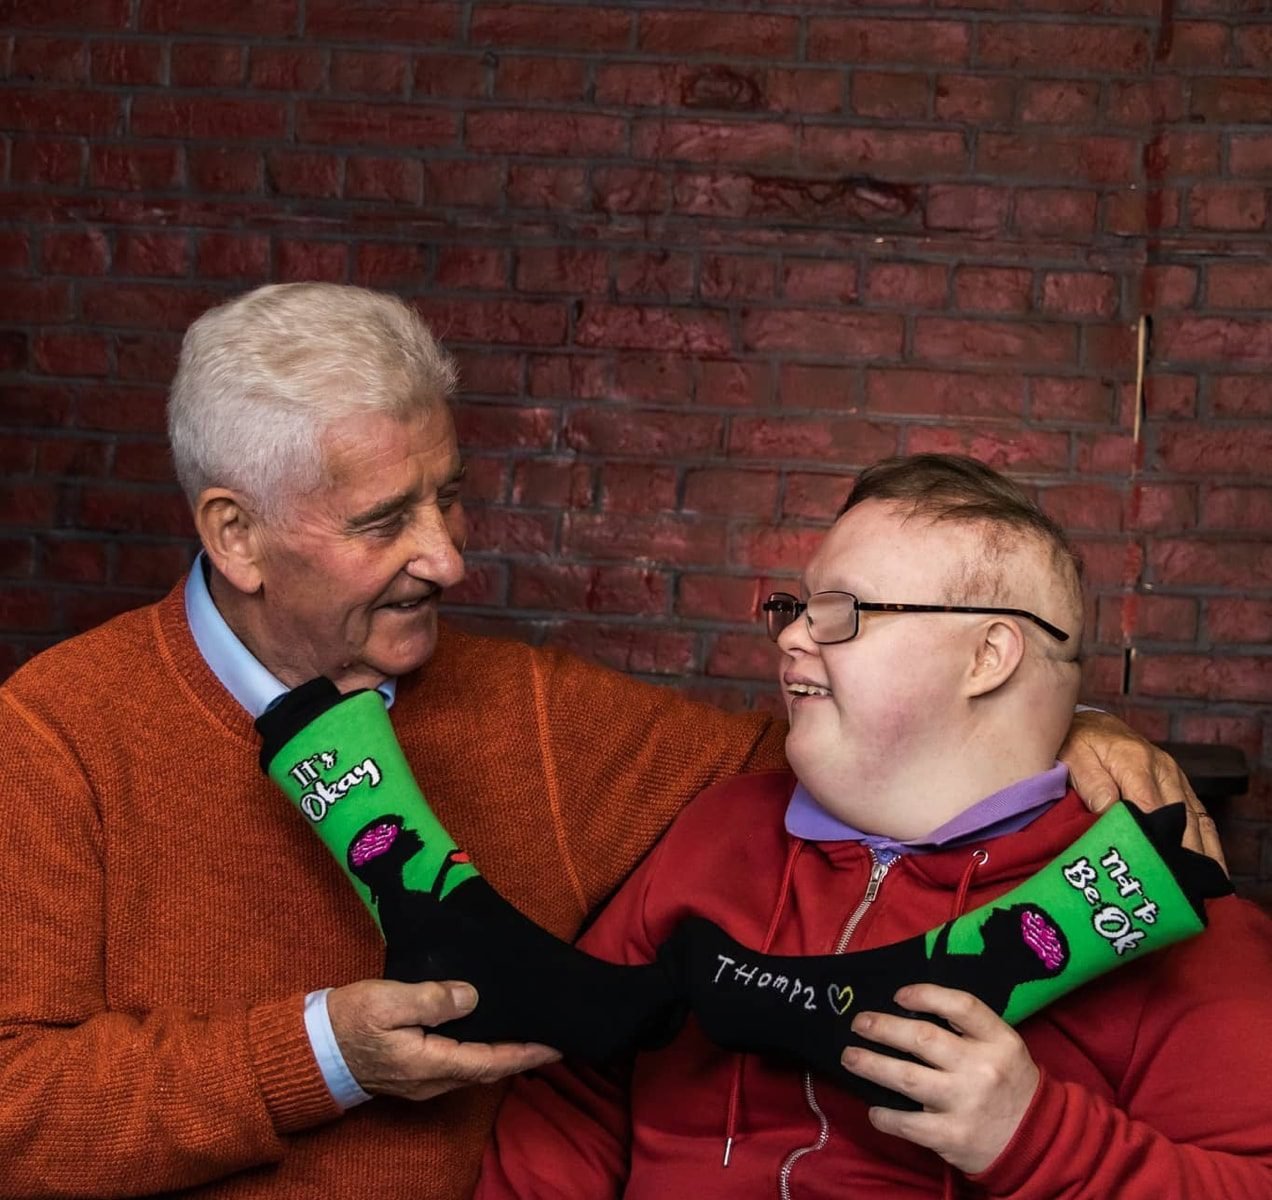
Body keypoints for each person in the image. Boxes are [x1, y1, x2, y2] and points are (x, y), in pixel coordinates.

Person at [0, 284, 1218, 1200]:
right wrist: (325, 1054)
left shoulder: (530, 707)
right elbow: (13, 1107)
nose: (451, 558)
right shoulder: (52, 737)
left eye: (452, 494)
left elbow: (836, 749)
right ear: (236, 534)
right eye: (387, 522)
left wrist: (1059, 712)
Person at [477, 455, 1272, 1199]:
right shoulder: (718, 829)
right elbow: (572, 1085)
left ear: (988, 657)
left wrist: (1034, 1138)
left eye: (841, 613)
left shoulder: (1157, 908)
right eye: (796, 609)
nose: (791, 635)